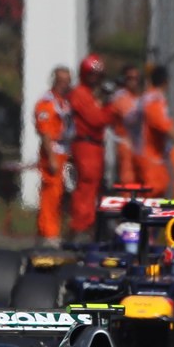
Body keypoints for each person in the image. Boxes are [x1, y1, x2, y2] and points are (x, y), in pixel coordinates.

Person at [68, 53, 112, 238]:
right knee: (85, 189)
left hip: (95, 147)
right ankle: (80, 227)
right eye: (92, 75)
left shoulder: (92, 95)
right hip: (86, 146)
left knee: (93, 189)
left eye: (98, 76)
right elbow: (97, 119)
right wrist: (109, 106)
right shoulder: (80, 94)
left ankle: (88, 226)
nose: (96, 80)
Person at [33, 66, 73, 245]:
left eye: (67, 81)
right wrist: (51, 158)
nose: (64, 85)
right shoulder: (46, 103)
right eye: (61, 81)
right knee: (51, 194)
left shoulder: (65, 102)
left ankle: (56, 231)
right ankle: (48, 234)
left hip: (64, 152)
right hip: (53, 153)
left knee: (60, 196)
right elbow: (45, 133)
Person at [138, 65, 174, 198]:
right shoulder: (154, 100)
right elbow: (163, 123)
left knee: (159, 190)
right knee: (154, 194)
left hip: (152, 155)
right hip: (151, 157)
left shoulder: (149, 97)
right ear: (166, 82)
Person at [109, 64, 143, 185]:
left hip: (139, 143)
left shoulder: (140, 97)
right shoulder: (121, 97)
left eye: (136, 78)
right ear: (124, 79)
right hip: (125, 143)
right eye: (130, 78)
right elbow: (130, 118)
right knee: (128, 179)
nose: (134, 81)